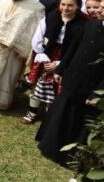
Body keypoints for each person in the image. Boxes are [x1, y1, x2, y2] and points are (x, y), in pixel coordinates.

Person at [36, 17, 104, 166]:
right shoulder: (92, 24)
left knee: (77, 120)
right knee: (60, 113)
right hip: (73, 77)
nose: (100, 10)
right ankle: (49, 145)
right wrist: (61, 70)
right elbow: (74, 48)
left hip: (91, 88)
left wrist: (97, 93)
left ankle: (68, 157)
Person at [21, 0, 86, 124]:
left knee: (57, 87)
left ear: (77, 6)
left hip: (66, 57)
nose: (66, 8)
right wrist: (43, 55)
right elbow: (38, 37)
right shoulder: (50, 17)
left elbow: (79, 46)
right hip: (46, 54)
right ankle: (31, 112)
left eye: (70, 5)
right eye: (63, 4)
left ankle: (50, 117)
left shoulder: (82, 24)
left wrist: (60, 63)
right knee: (39, 83)